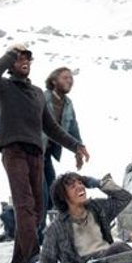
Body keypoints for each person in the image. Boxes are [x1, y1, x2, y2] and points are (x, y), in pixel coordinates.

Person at [0, 43, 89, 263]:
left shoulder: (36, 94)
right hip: (14, 150)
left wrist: (75, 145)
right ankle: (34, 255)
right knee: (25, 204)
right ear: (11, 65)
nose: (24, 62)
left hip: (36, 153)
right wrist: (12, 53)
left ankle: (20, 260)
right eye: (20, 59)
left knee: (39, 207)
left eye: (28, 59)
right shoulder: (3, 87)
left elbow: (50, 127)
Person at [39, 172, 132, 263]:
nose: (80, 187)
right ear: (63, 196)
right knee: (118, 248)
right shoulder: (55, 228)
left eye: (80, 183)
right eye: (73, 186)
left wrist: (99, 183)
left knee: (125, 251)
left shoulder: (97, 208)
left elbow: (124, 198)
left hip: (109, 262)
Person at [39, 67, 83, 238]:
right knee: (41, 191)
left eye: (71, 78)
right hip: (36, 150)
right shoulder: (42, 97)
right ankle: (39, 232)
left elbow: (73, 128)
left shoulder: (68, 103)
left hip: (48, 153)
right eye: (65, 78)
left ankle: (52, 229)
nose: (69, 81)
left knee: (52, 190)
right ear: (54, 80)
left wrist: (78, 149)